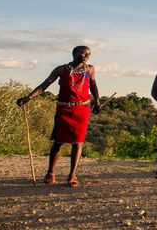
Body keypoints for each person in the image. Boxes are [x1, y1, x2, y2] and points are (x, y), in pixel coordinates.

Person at [16, 46, 102, 187]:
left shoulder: (90, 69)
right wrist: (29, 97)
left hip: (82, 108)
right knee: (58, 141)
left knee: (78, 142)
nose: (86, 55)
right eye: (83, 52)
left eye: (88, 53)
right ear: (74, 54)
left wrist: (97, 102)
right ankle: (50, 172)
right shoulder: (61, 70)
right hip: (64, 108)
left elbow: (93, 85)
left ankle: (72, 175)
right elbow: (45, 84)